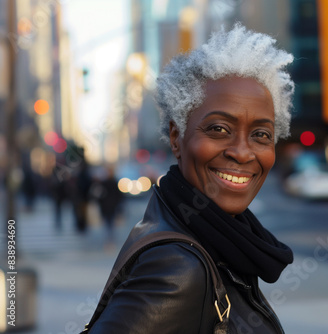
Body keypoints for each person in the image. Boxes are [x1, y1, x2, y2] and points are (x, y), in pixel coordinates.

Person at [88, 24, 295, 333]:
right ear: (176, 137)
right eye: (219, 129)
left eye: (261, 135)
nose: (242, 152)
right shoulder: (177, 268)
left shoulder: (218, 239)